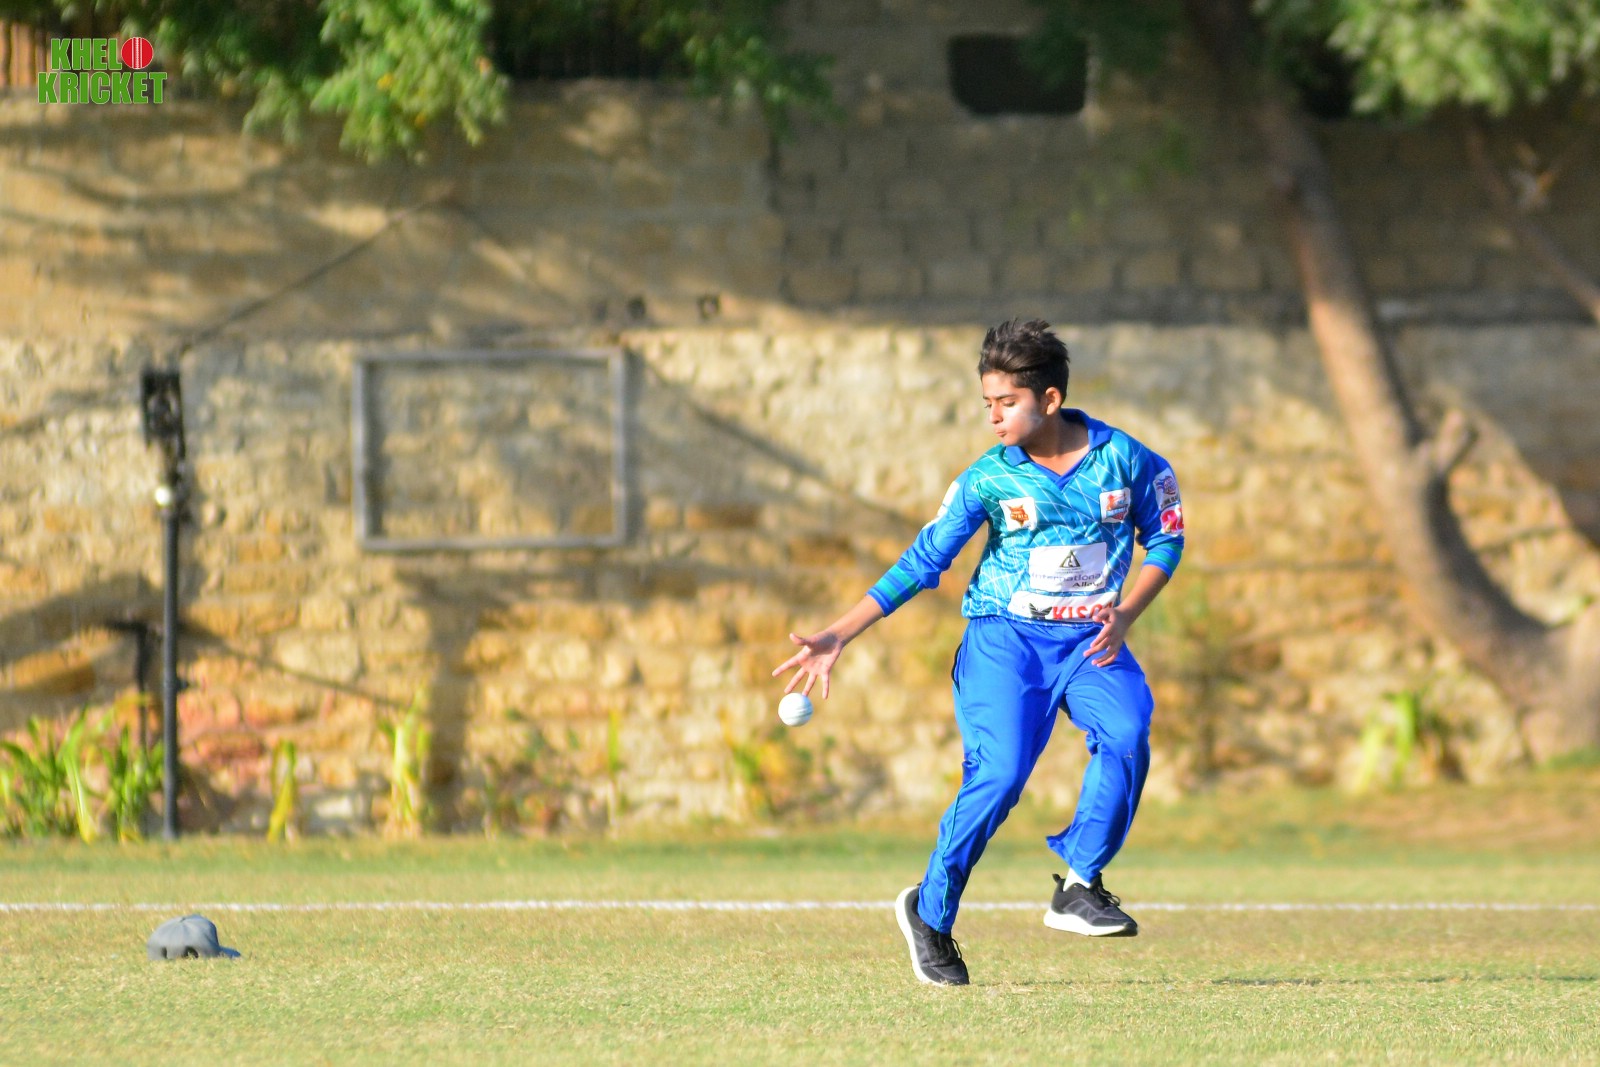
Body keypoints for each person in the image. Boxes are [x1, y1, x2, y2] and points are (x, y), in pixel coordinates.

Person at [771, 318, 1185, 986]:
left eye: (1007, 403)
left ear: (1050, 399)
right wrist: (840, 632)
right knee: (1000, 774)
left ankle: (1080, 883)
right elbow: (923, 560)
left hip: (1092, 638)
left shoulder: (1128, 459)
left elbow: (1165, 537)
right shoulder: (987, 479)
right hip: (1005, 640)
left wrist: (1128, 612)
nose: (993, 416)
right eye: (987, 403)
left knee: (1129, 731)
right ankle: (930, 913)